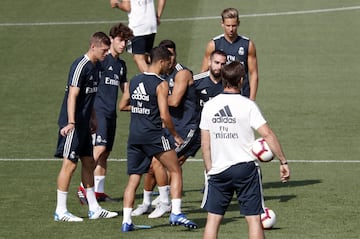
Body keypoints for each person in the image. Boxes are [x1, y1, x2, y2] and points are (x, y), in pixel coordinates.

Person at [200, 61, 290, 239]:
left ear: (223, 79)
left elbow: (205, 143)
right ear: (241, 80)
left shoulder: (210, 106)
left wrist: (210, 169)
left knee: (213, 220)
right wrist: (283, 161)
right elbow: (268, 134)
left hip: (218, 171)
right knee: (254, 219)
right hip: (245, 170)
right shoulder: (247, 105)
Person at [118, 46, 197, 232]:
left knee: (133, 179)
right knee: (175, 170)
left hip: (134, 136)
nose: (168, 66)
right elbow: (164, 115)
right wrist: (176, 135)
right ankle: (176, 212)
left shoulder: (135, 80)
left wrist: (141, 108)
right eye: (167, 63)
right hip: (154, 136)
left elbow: (122, 105)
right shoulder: (160, 84)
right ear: (162, 61)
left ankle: (127, 221)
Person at [54, 32, 118, 222]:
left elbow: (89, 97)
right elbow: (72, 96)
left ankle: (94, 208)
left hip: (84, 123)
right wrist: (71, 122)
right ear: (93, 47)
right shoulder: (80, 66)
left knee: (89, 162)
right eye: (104, 50)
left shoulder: (98, 67)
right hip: (72, 123)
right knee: (70, 164)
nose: (106, 53)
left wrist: (93, 119)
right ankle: (60, 210)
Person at [77, 23, 134, 204]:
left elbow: (125, 88)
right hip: (98, 110)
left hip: (111, 113)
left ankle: (99, 192)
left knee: (105, 153)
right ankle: (82, 187)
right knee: (98, 148)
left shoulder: (121, 65)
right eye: (120, 40)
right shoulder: (102, 60)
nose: (123, 44)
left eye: (126, 41)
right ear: (111, 40)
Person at [200, 7, 259, 100]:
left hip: (242, 95)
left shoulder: (247, 44)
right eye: (228, 25)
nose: (231, 29)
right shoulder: (214, 44)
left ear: (238, 23)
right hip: (219, 95)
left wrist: (252, 99)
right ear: (222, 24)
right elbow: (204, 72)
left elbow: (254, 73)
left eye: (234, 25)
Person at [110, 0, 166, 72]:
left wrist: (116, 4)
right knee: (147, 57)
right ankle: (164, 68)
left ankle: (151, 81)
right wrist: (158, 16)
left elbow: (127, 7)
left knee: (139, 58)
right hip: (151, 24)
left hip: (138, 26)